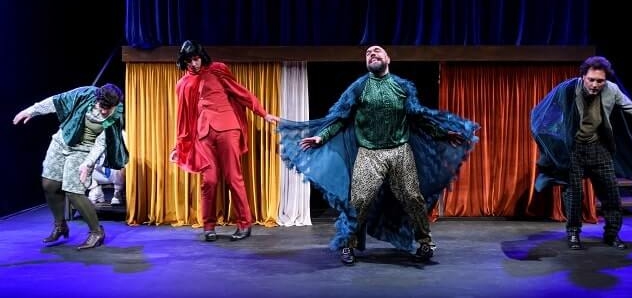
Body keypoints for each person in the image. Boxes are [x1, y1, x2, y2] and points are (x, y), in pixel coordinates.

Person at [277, 45, 479, 265]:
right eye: (368, 53)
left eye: (377, 51)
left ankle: (425, 243)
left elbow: (418, 117)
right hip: (369, 153)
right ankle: (348, 244)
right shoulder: (359, 87)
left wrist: (443, 133)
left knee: (413, 198)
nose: (372, 54)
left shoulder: (402, 87)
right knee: (359, 201)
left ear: (388, 59)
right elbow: (340, 118)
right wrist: (321, 137)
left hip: (400, 152)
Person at [531, 56, 632, 250]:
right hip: (574, 150)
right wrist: (553, 140)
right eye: (591, 80)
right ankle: (573, 233)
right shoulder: (568, 89)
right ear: (583, 76)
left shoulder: (611, 90)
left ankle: (612, 235)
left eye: (600, 81)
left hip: (599, 148)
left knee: (611, 194)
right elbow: (544, 113)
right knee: (573, 195)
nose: (595, 85)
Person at [170, 40, 280, 242]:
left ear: (201, 57)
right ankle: (208, 226)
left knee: (233, 177)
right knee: (209, 181)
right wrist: (179, 145)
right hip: (203, 135)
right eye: (189, 60)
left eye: (196, 59)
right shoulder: (182, 84)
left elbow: (241, 93)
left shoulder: (217, 70)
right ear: (184, 61)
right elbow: (183, 118)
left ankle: (244, 224)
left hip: (228, 128)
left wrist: (263, 113)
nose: (194, 63)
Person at [12, 83, 128, 250]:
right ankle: (60, 226)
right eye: (101, 106)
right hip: (62, 141)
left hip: (84, 149)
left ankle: (96, 232)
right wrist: (31, 111)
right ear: (96, 99)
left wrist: (88, 164)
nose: (104, 111)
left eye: (108, 108)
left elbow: (101, 143)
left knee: (73, 190)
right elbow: (57, 101)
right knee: (49, 184)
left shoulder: (115, 115)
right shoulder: (85, 94)